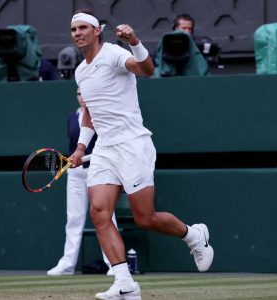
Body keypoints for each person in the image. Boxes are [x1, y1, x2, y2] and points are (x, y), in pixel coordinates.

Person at [69, 10, 214, 300]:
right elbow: (90, 114)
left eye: (83, 27)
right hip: (105, 150)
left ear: (98, 31)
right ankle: (124, 283)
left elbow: (146, 70)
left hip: (133, 144)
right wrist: (82, 147)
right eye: (73, 29)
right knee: (99, 212)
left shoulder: (113, 54)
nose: (77, 33)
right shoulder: (80, 71)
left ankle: (193, 235)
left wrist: (134, 41)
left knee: (145, 218)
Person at [47, 87, 118, 276]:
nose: (82, 97)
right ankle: (67, 264)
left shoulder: (101, 115)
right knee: (74, 218)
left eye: (85, 93)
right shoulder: (72, 117)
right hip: (76, 174)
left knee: (107, 216)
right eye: (78, 94)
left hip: (98, 170)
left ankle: (114, 263)